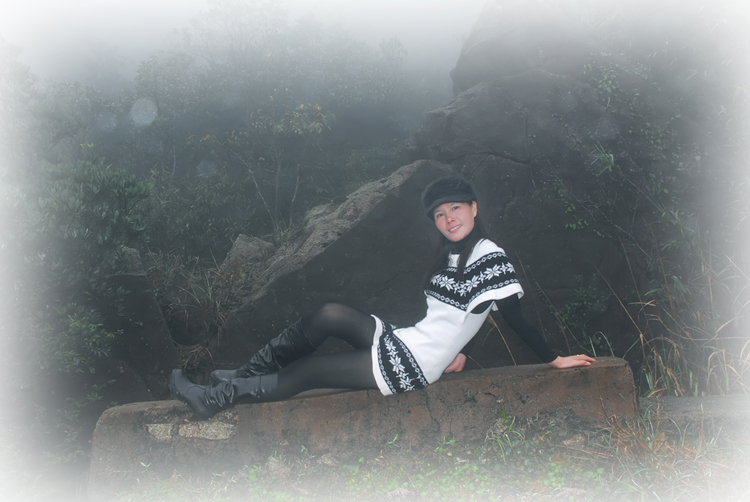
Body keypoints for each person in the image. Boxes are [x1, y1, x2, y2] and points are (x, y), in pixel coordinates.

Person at [170, 177, 596, 419]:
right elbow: (475, 311)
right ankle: (245, 374)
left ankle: (214, 400)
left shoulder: (488, 254)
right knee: (330, 314)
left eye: (455, 209)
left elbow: (512, 315)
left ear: (473, 207)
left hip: (414, 361)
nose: (448, 219)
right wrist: (461, 351)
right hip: (409, 340)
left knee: (311, 371)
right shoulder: (452, 253)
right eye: (439, 214)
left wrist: (554, 359)